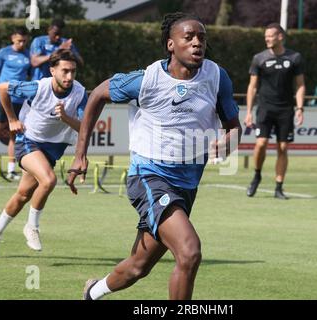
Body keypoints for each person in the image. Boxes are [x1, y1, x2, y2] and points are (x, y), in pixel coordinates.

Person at [67, 12, 242, 300]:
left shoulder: (217, 76)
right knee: (189, 251)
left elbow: (234, 128)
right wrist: (79, 155)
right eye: (189, 37)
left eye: (201, 37)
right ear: (171, 45)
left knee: (138, 267)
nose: (197, 42)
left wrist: (227, 142)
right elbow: (97, 94)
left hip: (186, 185)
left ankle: (92, 293)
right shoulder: (146, 80)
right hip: (149, 177)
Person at [0, 49, 88, 259]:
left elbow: (84, 128)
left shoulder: (80, 93)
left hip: (53, 149)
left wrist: (66, 117)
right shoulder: (38, 87)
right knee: (49, 180)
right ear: (53, 71)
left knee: (23, 195)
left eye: (73, 71)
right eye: (65, 71)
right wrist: (12, 119)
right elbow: (2, 88)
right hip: (28, 141)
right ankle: (31, 226)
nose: (69, 76)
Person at [244, 23, 306, 200]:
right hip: (265, 108)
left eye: (270, 36)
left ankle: (279, 187)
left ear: (280, 37)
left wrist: (300, 108)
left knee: (283, 147)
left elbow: (300, 85)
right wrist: (248, 111)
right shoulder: (259, 58)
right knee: (261, 143)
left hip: (286, 109)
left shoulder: (295, 58)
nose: (267, 39)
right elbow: (252, 86)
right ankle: (257, 175)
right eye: (265, 37)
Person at [0, 27, 30, 180]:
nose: (21, 44)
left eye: (24, 41)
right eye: (19, 41)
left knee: (14, 135)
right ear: (12, 38)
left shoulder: (28, 55)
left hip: (18, 100)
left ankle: (11, 170)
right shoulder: (3, 53)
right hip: (1, 98)